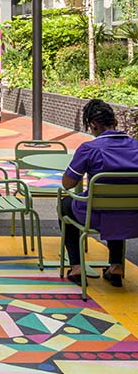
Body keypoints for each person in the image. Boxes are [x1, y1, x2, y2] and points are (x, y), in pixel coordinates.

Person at [60, 99, 138, 286]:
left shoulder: (89, 149)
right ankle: (116, 266)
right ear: (114, 122)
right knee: (116, 209)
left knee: (65, 206)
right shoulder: (135, 146)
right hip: (133, 216)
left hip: (95, 216)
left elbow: (68, 184)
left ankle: (77, 267)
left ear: (93, 125)